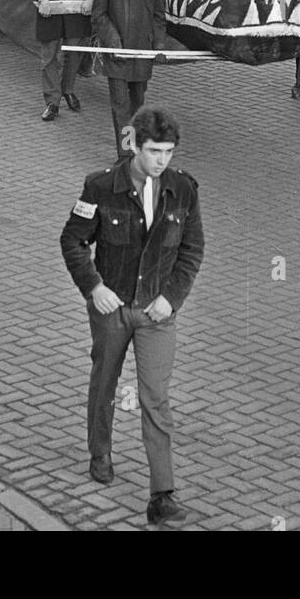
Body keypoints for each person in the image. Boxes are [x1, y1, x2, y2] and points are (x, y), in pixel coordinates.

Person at [59, 104, 204, 525]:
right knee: (104, 380)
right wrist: (94, 286)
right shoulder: (101, 187)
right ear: (134, 146)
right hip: (114, 307)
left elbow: (193, 250)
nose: (162, 161)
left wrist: (171, 299)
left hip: (158, 312)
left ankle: (162, 494)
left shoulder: (184, 189)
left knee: (155, 398)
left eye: (168, 152)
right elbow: (72, 240)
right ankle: (100, 451)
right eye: (155, 151)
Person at [92, 0, 168, 158]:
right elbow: (98, 16)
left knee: (137, 106)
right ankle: (125, 158)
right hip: (117, 55)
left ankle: (134, 149)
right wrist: (113, 41)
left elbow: (159, 16)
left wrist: (160, 46)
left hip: (141, 55)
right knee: (120, 107)